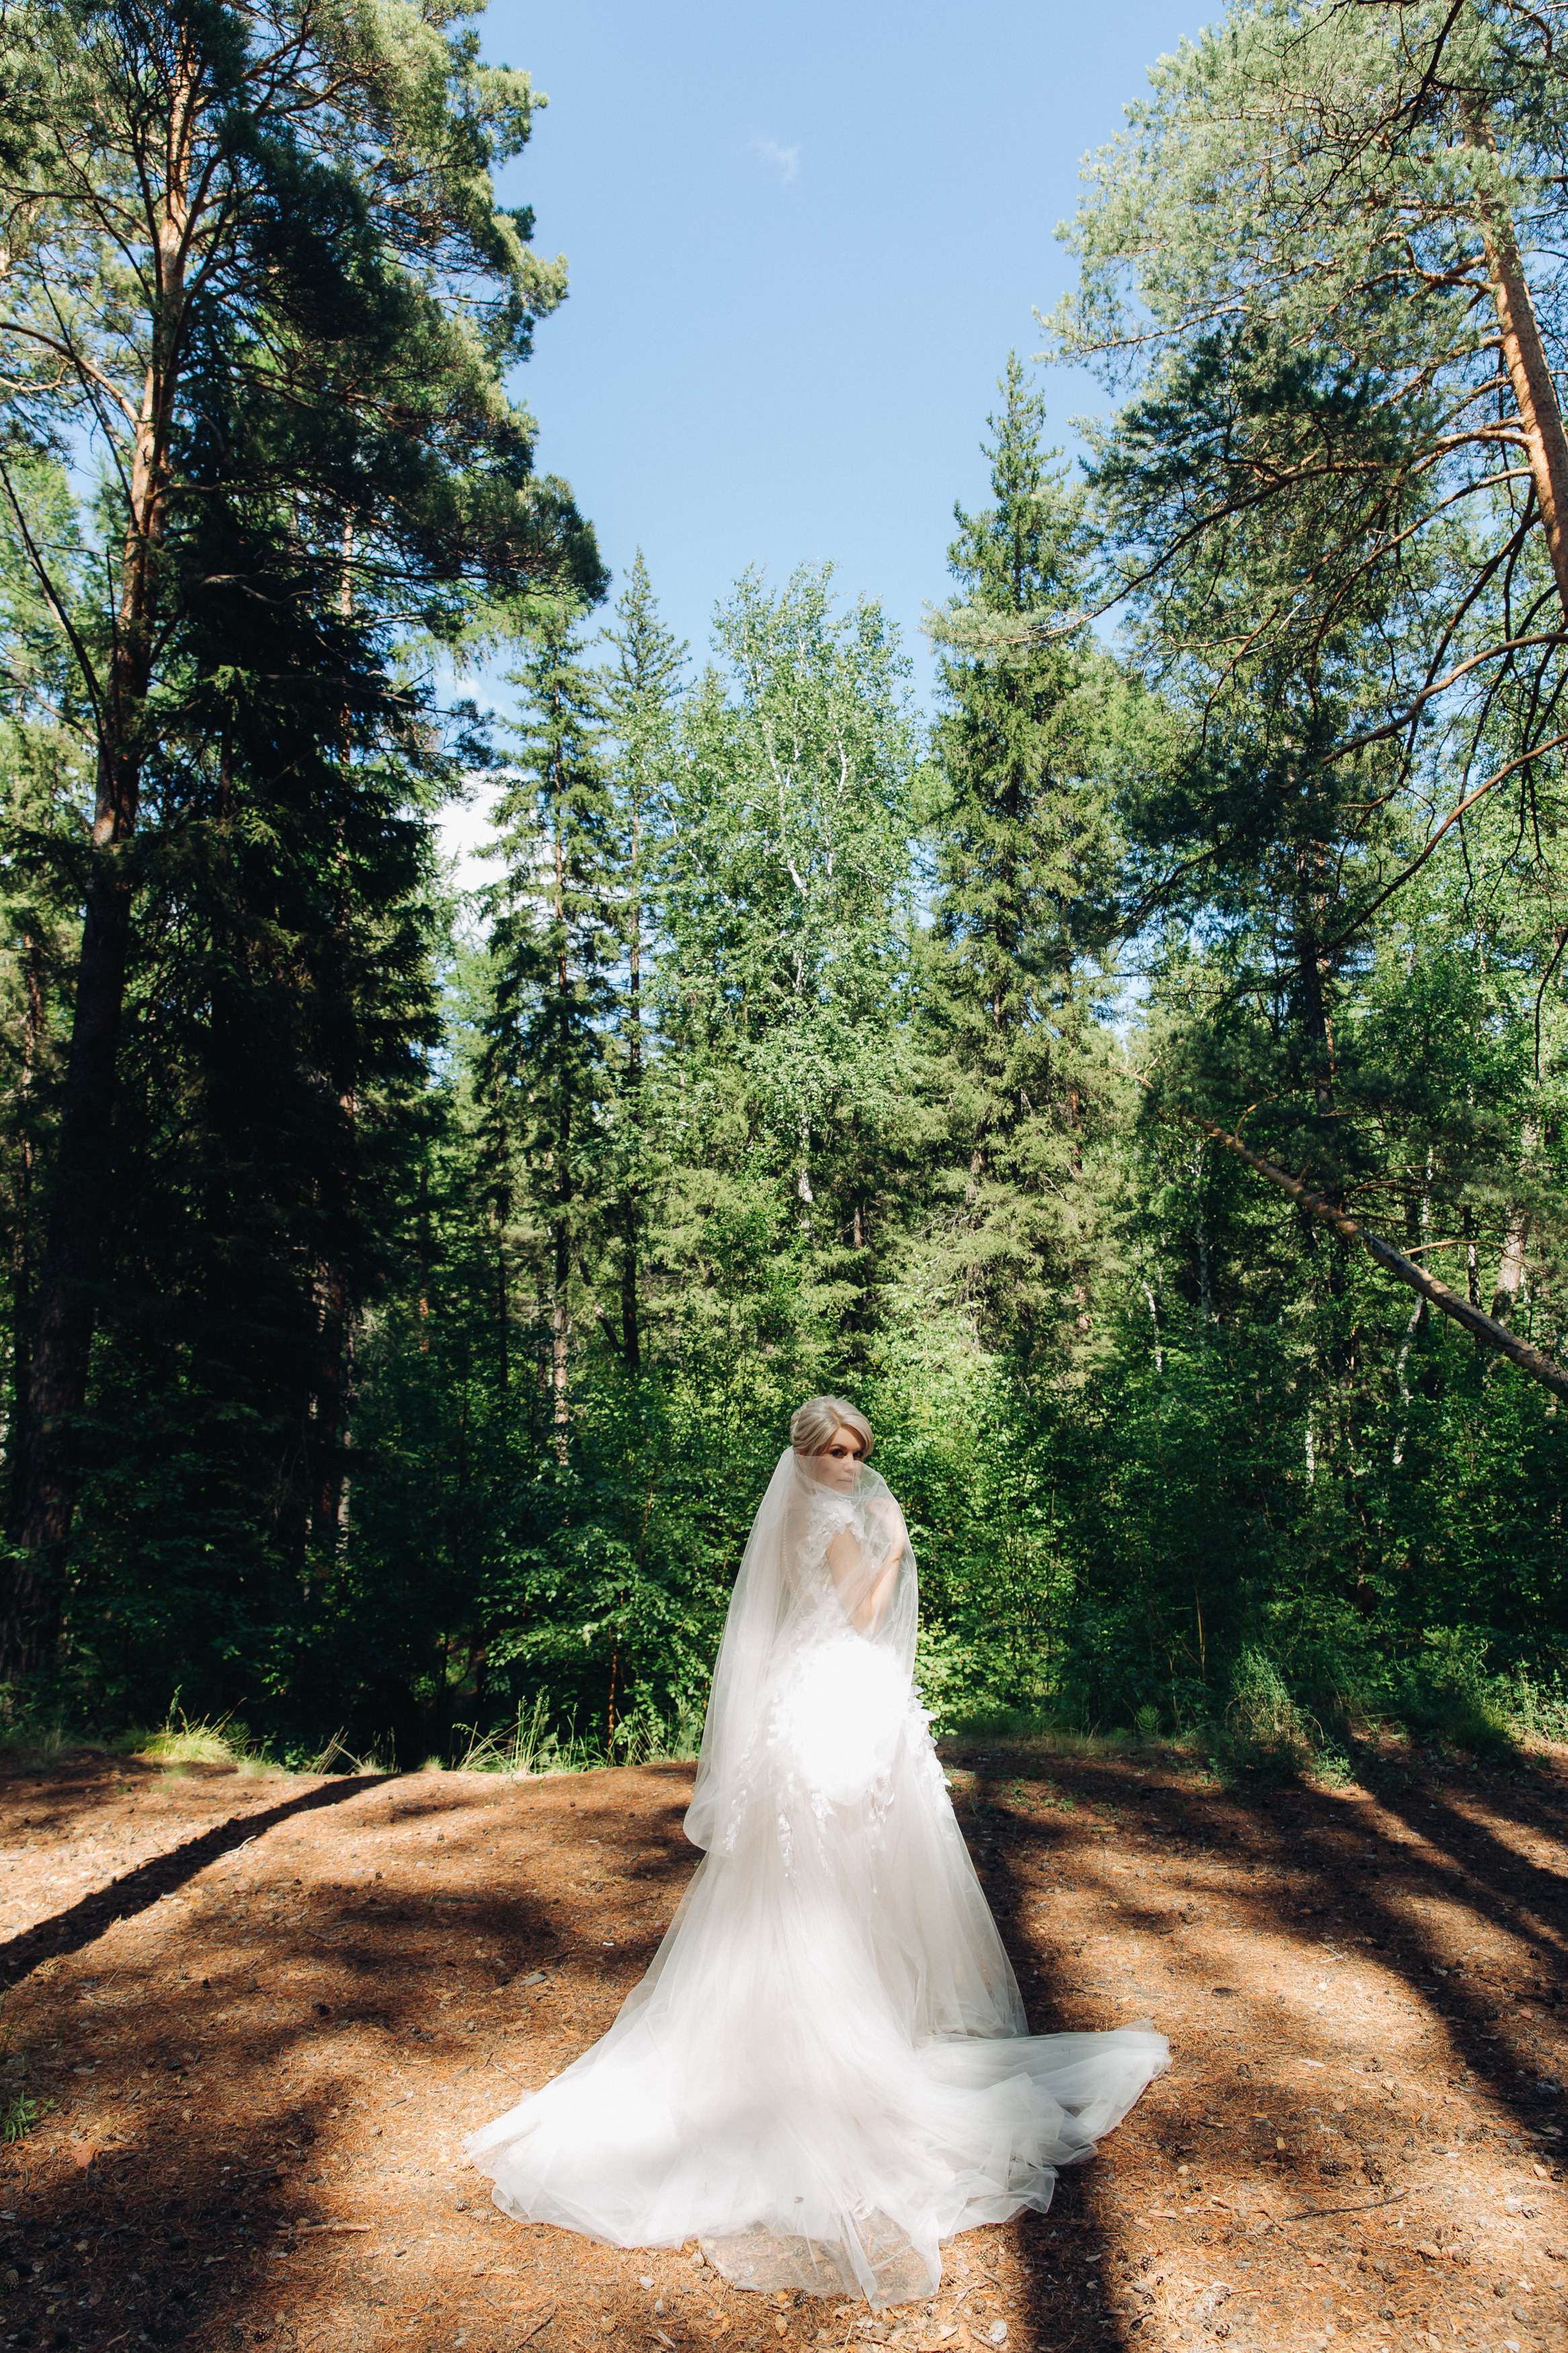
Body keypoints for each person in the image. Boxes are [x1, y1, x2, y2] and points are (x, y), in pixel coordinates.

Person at [466, 1397, 1167, 2307]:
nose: (847, 1462)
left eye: (856, 1450)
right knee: (833, 1873)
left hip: (806, 1696)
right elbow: (863, 1612)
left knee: (812, 1877)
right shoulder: (836, 1514)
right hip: (833, 1701)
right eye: (833, 1451)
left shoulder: (793, 1507)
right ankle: (827, 2048)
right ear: (807, 1455)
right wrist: (897, 1544)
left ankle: (835, 2022)